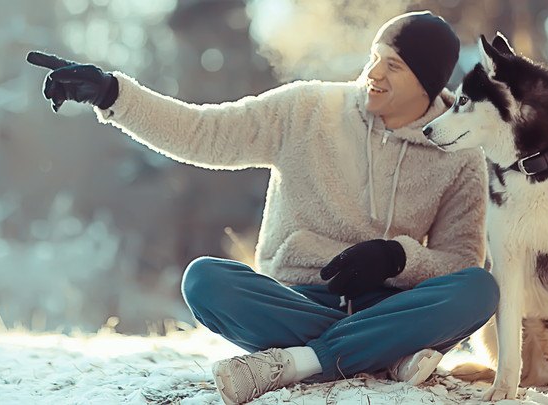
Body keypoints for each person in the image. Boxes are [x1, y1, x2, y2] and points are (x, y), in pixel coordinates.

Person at [28, 11, 498, 405]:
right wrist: (114, 94)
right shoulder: (307, 109)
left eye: (392, 66)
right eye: (374, 57)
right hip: (295, 299)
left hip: (391, 304)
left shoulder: (459, 152)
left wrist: (398, 258)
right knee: (206, 279)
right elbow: (203, 133)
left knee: (479, 289)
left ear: (428, 82)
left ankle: (300, 361)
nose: (373, 73)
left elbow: (460, 262)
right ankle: (384, 353)